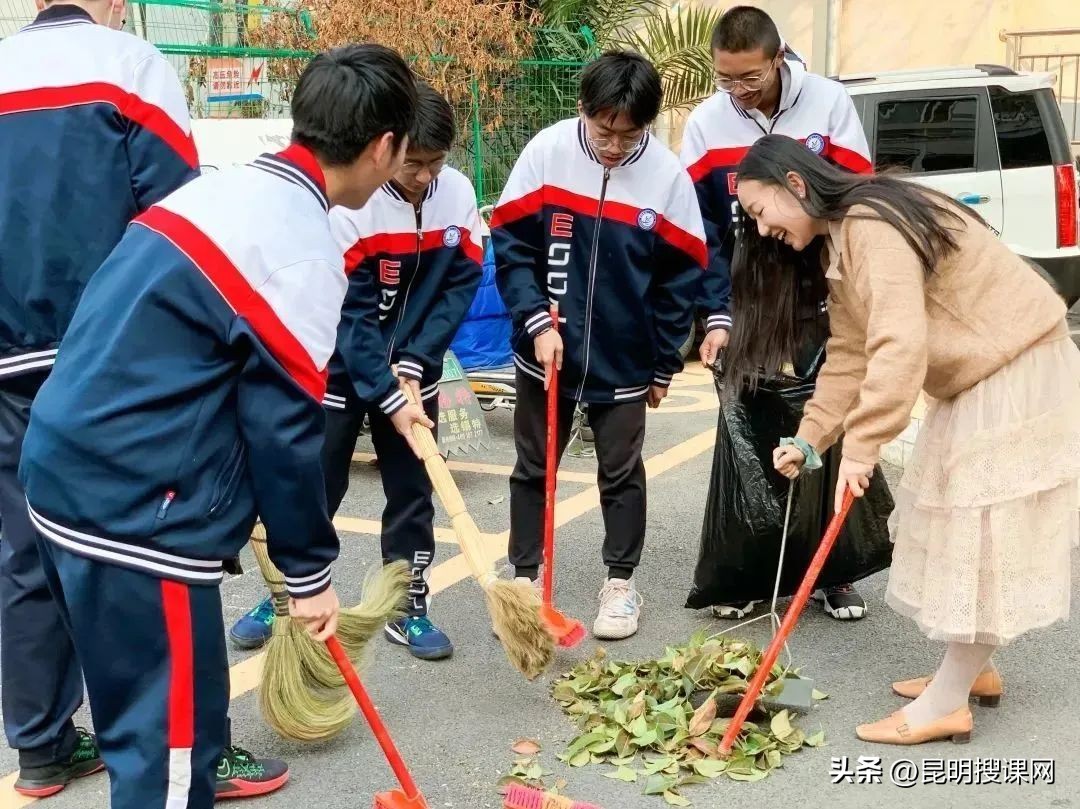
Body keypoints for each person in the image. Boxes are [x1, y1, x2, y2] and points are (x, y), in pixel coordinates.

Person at [18, 45, 426, 808]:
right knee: (162, 762)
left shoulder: (219, 193)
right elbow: (284, 430)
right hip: (134, 511)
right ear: (383, 148)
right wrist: (307, 574)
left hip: (63, 468)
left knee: (167, 706)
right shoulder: (301, 250)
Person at [0, 0, 286, 799]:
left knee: (27, 549)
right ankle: (197, 750)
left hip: (5, 353)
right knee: (170, 545)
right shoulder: (131, 65)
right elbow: (184, 220)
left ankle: (43, 746)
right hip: (112, 358)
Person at [731, 134, 1080, 744]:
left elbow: (898, 344)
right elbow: (849, 352)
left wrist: (861, 449)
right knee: (962, 532)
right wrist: (812, 439)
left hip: (1014, 370)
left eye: (760, 212)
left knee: (977, 536)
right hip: (982, 374)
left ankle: (949, 701)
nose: (762, 231)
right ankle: (974, 672)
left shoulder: (870, 223)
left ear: (794, 184)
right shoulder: (842, 240)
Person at [229, 82, 481, 661]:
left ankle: (406, 602)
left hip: (417, 370)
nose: (421, 177)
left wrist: (418, 362)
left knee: (413, 489)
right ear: (387, 150)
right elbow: (352, 311)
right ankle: (288, 592)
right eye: (411, 163)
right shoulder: (355, 205)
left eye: (434, 164)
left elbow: (459, 283)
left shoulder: (458, 194)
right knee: (320, 482)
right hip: (342, 370)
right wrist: (386, 390)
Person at [492, 50, 706, 640]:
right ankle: (525, 580)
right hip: (545, 349)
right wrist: (535, 321)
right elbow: (510, 246)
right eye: (602, 130)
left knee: (621, 470)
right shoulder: (547, 153)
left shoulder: (667, 178)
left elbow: (679, 283)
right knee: (534, 466)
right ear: (583, 111)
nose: (613, 145)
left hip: (624, 354)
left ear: (648, 124)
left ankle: (620, 583)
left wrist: (663, 362)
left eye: (627, 133)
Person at [680, 5, 875, 622]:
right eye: (726, 80)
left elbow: (855, 197)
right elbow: (702, 230)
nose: (738, 92)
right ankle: (746, 573)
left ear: (779, 58)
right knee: (751, 424)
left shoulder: (828, 102)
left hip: (818, 287)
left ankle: (832, 572)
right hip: (745, 295)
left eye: (750, 79)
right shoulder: (709, 123)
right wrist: (715, 313)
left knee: (824, 416)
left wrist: (847, 288)